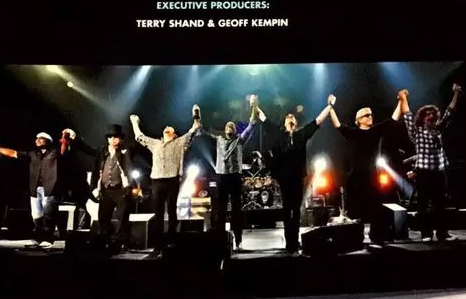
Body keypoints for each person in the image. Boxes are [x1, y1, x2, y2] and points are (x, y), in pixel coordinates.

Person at [262, 94, 336, 255]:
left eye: (292, 117)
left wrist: (330, 106)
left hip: (297, 177)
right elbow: (264, 120)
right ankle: (288, 241)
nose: (290, 118)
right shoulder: (280, 134)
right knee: (286, 209)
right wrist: (254, 106)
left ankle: (294, 242)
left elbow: (318, 121)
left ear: (295, 123)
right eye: (288, 117)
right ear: (285, 123)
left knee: (295, 210)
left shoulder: (301, 134)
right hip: (284, 177)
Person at [329, 91, 404, 244]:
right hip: (358, 174)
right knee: (357, 205)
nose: (370, 117)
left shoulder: (376, 130)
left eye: (371, 114)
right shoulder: (354, 133)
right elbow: (337, 125)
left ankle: (376, 235)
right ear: (359, 120)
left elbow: (393, 119)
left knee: (376, 204)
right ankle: (356, 237)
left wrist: (401, 101)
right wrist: (330, 107)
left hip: (373, 173)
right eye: (366, 115)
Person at [130, 106, 201, 253]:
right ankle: (158, 243)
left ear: (174, 134)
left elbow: (194, 130)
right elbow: (140, 137)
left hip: (172, 180)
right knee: (158, 212)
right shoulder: (155, 143)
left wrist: (196, 115)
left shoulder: (179, 142)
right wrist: (134, 122)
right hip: (157, 181)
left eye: (170, 127)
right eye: (166, 127)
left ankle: (172, 240)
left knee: (172, 211)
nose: (167, 127)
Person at [199, 95, 261, 250]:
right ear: (224, 129)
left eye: (232, 125)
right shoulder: (219, 139)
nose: (230, 126)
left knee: (236, 209)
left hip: (234, 176)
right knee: (220, 209)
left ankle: (238, 240)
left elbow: (252, 124)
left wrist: (254, 105)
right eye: (228, 125)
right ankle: (221, 239)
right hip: (221, 176)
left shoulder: (239, 139)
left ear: (234, 130)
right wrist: (197, 116)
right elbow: (203, 131)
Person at [400, 85, 461, 242]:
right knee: (423, 204)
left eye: (433, 114)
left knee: (440, 204)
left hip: (439, 171)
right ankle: (426, 234)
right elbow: (407, 116)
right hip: (424, 172)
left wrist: (456, 94)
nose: (431, 117)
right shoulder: (417, 132)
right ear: (422, 118)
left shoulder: (439, 129)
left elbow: (449, 112)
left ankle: (442, 233)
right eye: (427, 115)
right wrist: (404, 98)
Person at [61, 125, 133, 251]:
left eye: (115, 137)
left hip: (121, 189)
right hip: (106, 190)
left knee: (122, 217)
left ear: (121, 139)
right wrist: (74, 137)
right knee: (103, 217)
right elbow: (87, 149)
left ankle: (122, 243)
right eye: (110, 137)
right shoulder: (102, 151)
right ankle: (104, 242)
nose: (113, 139)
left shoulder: (126, 150)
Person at [0, 132, 66, 249]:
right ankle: (38, 238)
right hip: (35, 189)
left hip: (50, 188)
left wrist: (65, 139)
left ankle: (48, 238)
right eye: (36, 138)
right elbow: (14, 153)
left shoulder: (55, 152)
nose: (37, 140)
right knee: (36, 215)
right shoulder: (33, 154)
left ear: (47, 140)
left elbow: (64, 150)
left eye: (41, 138)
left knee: (49, 215)